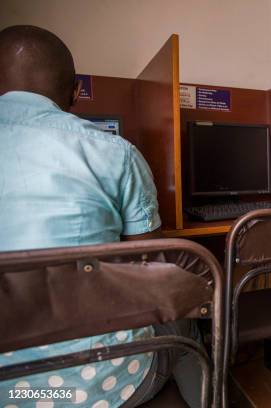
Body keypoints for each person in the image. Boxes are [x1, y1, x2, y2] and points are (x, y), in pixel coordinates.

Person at [0, 25, 201, 407]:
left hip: (8, 388)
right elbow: (150, 264)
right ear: (76, 92)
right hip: (105, 379)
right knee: (189, 312)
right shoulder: (114, 151)